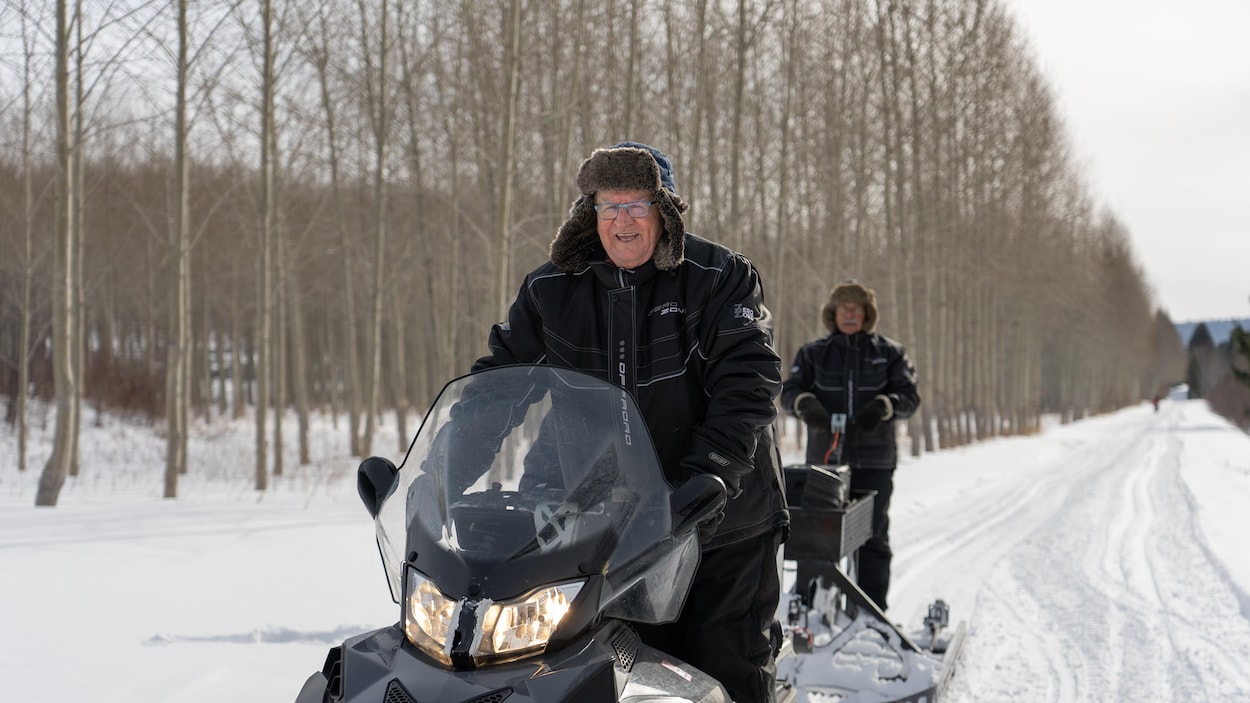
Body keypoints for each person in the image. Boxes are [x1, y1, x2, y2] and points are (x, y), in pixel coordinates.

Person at [471, 142, 788, 703]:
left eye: (637, 205)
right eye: (609, 206)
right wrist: (446, 466)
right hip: (609, 536)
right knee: (605, 681)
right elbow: (497, 383)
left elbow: (749, 385)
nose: (623, 220)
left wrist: (704, 480)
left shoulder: (719, 278)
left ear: (664, 211)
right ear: (588, 215)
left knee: (725, 673)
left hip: (723, 522)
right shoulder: (552, 289)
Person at [780, 280, 919, 611]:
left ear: (868, 314)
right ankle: (810, 612)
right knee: (817, 540)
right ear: (833, 313)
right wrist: (806, 405)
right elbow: (788, 392)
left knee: (872, 536)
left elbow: (910, 397)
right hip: (824, 466)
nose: (850, 314)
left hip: (875, 462)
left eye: (857, 309)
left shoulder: (889, 353)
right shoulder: (814, 353)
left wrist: (884, 406)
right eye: (844, 308)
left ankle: (871, 613)